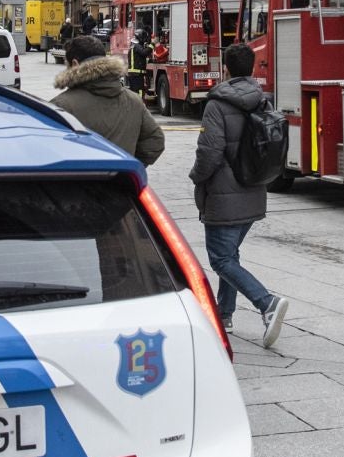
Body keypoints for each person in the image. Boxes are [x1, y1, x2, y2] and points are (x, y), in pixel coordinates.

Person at [191, 42, 289, 347]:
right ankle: (224, 315)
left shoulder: (216, 104)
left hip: (223, 194)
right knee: (229, 255)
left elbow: (209, 152)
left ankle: (267, 303)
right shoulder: (263, 100)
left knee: (220, 259)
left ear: (227, 69)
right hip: (254, 190)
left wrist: (196, 177)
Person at [54, 35, 164, 166]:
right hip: (122, 184)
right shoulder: (134, 101)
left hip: (79, 185)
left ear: (74, 64)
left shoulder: (61, 106)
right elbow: (155, 142)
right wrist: (128, 168)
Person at [126, 29, 152, 98]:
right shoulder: (137, 46)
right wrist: (152, 45)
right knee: (139, 92)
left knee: (134, 93)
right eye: (144, 38)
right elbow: (144, 53)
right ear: (140, 37)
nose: (144, 40)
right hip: (137, 75)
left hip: (133, 75)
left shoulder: (133, 46)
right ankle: (139, 106)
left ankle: (134, 106)